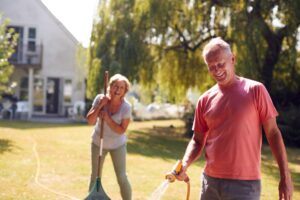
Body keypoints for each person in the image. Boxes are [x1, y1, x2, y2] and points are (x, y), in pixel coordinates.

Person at [177, 37, 293, 200]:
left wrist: (285, 176)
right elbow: (197, 140)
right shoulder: (205, 99)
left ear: (232, 59)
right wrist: (185, 163)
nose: (216, 70)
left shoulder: (255, 90)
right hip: (209, 183)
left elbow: (273, 133)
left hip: (244, 185)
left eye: (220, 64)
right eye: (211, 67)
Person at [86, 74, 132, 200]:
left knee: (122, 177)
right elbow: (90, 120)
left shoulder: (126, 107)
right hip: (98, 143)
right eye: (115, 86)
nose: (118, 90)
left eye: (121, 88)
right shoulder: (100, 99)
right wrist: (99, 106)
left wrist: (107, 118)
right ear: (110, 87)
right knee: (95, 175)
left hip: (118, 145)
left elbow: (121, 130)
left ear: (125, 91)